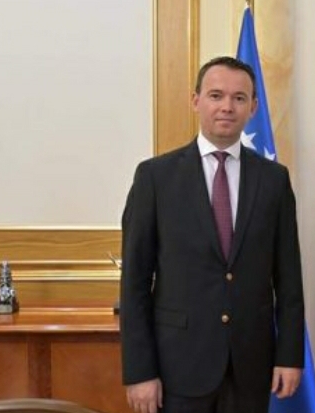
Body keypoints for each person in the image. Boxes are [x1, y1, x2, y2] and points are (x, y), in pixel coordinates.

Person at [120, 56, 305, 413]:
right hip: (177, 368)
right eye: (216, 95)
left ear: (253, 107)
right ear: (196, 101)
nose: (227, 107)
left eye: (239, 98)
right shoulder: (155, 178)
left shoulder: (274, 180)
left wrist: (290, 356)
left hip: (251, 366)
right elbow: (134, 284)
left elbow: (289, 279)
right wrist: (139, 371)